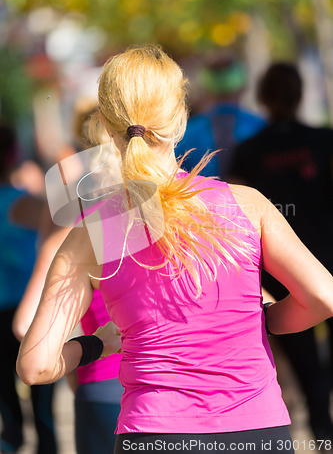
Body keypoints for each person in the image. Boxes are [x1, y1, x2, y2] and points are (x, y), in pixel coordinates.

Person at [16, 46, 333, 454]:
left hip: (152, 436)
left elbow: (36, 366)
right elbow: (323, 296)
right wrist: (265, 319)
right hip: (257, 433)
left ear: (107, 129)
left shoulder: (95, 231)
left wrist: (98, 343)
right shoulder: (246, 205)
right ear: (181, 120)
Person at [13, 97, 123, 454]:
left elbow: (25, 325)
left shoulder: (70, 236)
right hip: (181, 394)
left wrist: (88, 348)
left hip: (102, 388)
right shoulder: (170, 219)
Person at [229, 62, 333, 440]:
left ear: (262, 98)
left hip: (280, 272)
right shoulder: (324, 140)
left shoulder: (248, 151)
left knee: (306, 364)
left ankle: (322, 432)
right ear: (301, 93)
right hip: (329, 260)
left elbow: (235, 217)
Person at [0, 124, 57, 454]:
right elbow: (61, 231)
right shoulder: (28, 204)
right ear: (13, 156)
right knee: (44, 413)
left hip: (3, 313)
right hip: (31, 311)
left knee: (9, 414)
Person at [175, 53, 266, 179]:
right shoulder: (261, 127)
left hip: (200, 198)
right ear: (243, 86)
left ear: (206, 88)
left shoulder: (186, 132)